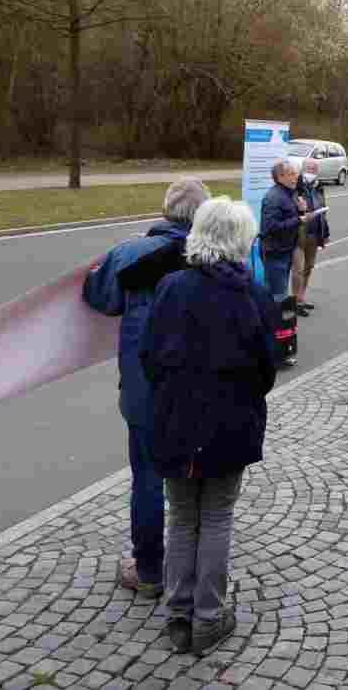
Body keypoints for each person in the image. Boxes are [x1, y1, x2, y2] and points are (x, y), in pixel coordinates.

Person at [139, 197, 279, 656]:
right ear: (241, 242)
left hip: (177, 420)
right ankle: (208, 615)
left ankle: (179, 613)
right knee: (216, 515)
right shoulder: (253, 295)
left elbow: (149, 357)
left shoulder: (171, 287)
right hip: (228, 424)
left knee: (182, 516)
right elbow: (266, 371)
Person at [83, 178, 211, 600]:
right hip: (200, 388)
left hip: (145, 387)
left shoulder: (132, 252)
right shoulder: (215, 256)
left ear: (165, 210)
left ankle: (151, 569)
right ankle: (194, 567)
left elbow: (102, 298)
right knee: (199, 480)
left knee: (148, 478)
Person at [260, 160, 313, 364]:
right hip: (275, 254)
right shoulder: (273, 197)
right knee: (278, 300)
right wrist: (299, 220)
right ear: (280, 176)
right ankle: (277, 350)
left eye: (295, 173)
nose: (295, 177)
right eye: (291, 174)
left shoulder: (288, 194)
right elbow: (270, 227)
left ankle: (272, 343)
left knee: (274, 298)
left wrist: (300, 212)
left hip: (284, 252)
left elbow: (288, 220)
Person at [291, 165, 329, 317]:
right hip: (298, 235)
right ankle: (294, 303)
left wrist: (325, 233)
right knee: (298, 271)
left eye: (314, 169)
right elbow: (290, 208)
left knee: (308, 268)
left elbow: (323, 212)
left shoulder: (319, 187)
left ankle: (301, 298)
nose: (311, 171)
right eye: (309, 168)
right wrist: (301, 211)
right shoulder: (296, 186)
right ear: (302, 168)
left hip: (314, 235)